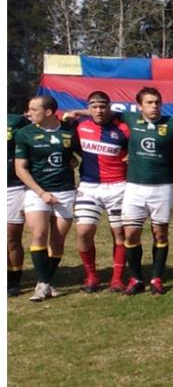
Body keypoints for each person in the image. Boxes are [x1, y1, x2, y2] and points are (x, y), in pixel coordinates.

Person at [117, 87, 173, 296]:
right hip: (135, 187)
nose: (154, 106)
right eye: (149, 102)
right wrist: (76, 113)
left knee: (160, 233)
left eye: (157, 102)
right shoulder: (130, 119)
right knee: (130, 233)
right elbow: (102, 111)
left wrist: (171, 157)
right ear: (139, 106)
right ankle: (136, 278)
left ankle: (156, 278)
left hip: (162, 187)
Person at [13, 95, 77, 301]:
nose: (28, 113)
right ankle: (43, 285)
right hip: (36, 191)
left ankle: (45, 282)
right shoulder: (24, 134)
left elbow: (81, 155)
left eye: (33, 109)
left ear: (48, 112)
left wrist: (74, 161)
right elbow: (20, 169)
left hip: (65, 191)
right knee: (39, 233)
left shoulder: (69, 131)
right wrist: (41, 193)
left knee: (57, 240)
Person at [71, 92, 130, 293]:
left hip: (118, 186)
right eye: (93, 107)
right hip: (89, 186)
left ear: (109, 107)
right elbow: (72, 147)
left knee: (119, 233)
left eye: (102, 106)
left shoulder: (122, 128)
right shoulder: (80, 126)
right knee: (83, 232)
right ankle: (92, 276)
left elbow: (137, 147)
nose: (98, 110)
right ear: (89, 108)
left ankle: (117, 278)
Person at [7, 110, 30, 296]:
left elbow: (34, 142)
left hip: (12, 185)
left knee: (11, 237)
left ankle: (13, 280)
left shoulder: (16, 121)